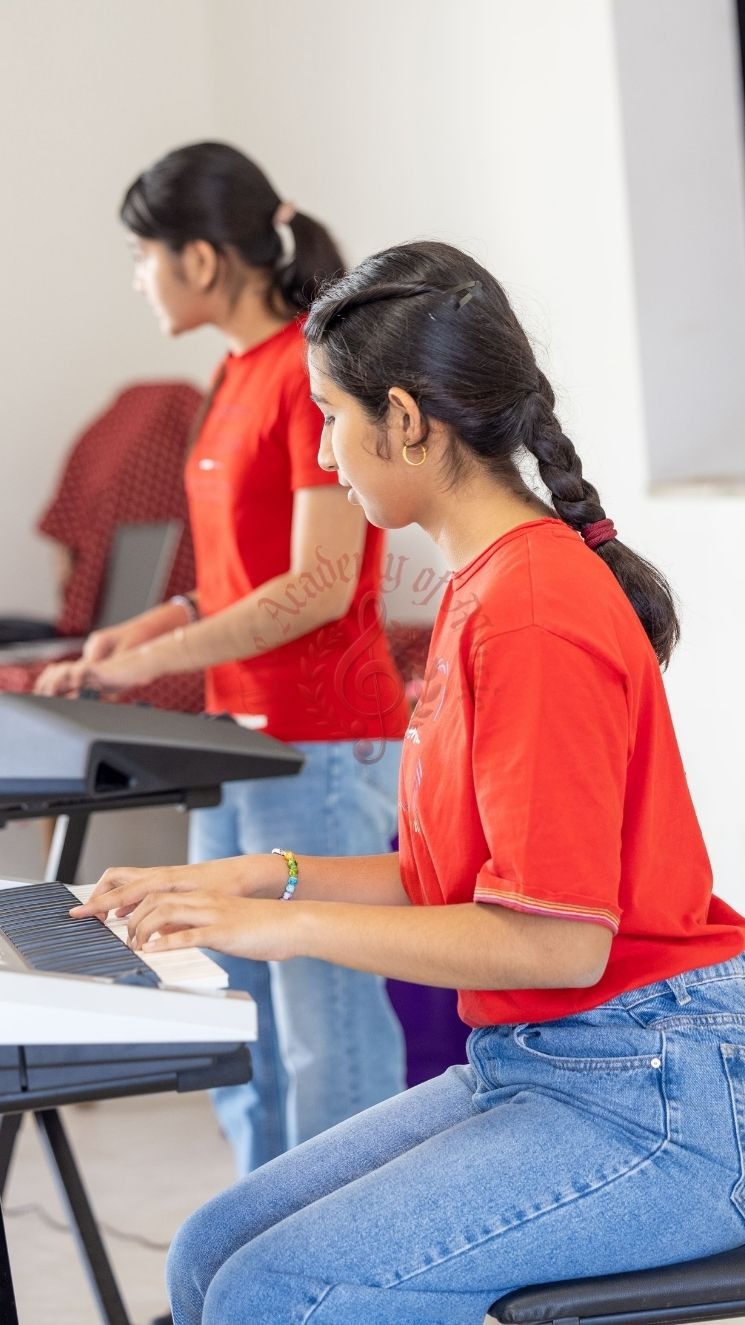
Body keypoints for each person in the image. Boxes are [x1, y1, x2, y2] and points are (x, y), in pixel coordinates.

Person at [72, 240, 745, 1325]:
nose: (330, 456)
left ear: (408, 420)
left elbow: (557, 938)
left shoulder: (531, 608)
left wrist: (287, 929)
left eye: (334, 417)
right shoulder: (484, 588)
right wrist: (261, 877)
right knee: (207, 1250)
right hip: (546, 1055)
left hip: (653, 1090)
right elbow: (453, 878)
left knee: (275, 1291)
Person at [37, 142, 409, 1176]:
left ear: (200, 259)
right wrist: (141, 633)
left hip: (320, 744)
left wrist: (131, 667)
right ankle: (262, 1257)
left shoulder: (306, 370)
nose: (138, 275)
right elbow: (242, 577)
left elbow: (317, 586)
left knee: (323, 1037)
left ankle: (349, 1262)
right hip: (236, 740)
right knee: (240, 1020)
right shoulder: (233, 376)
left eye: (141, 252)